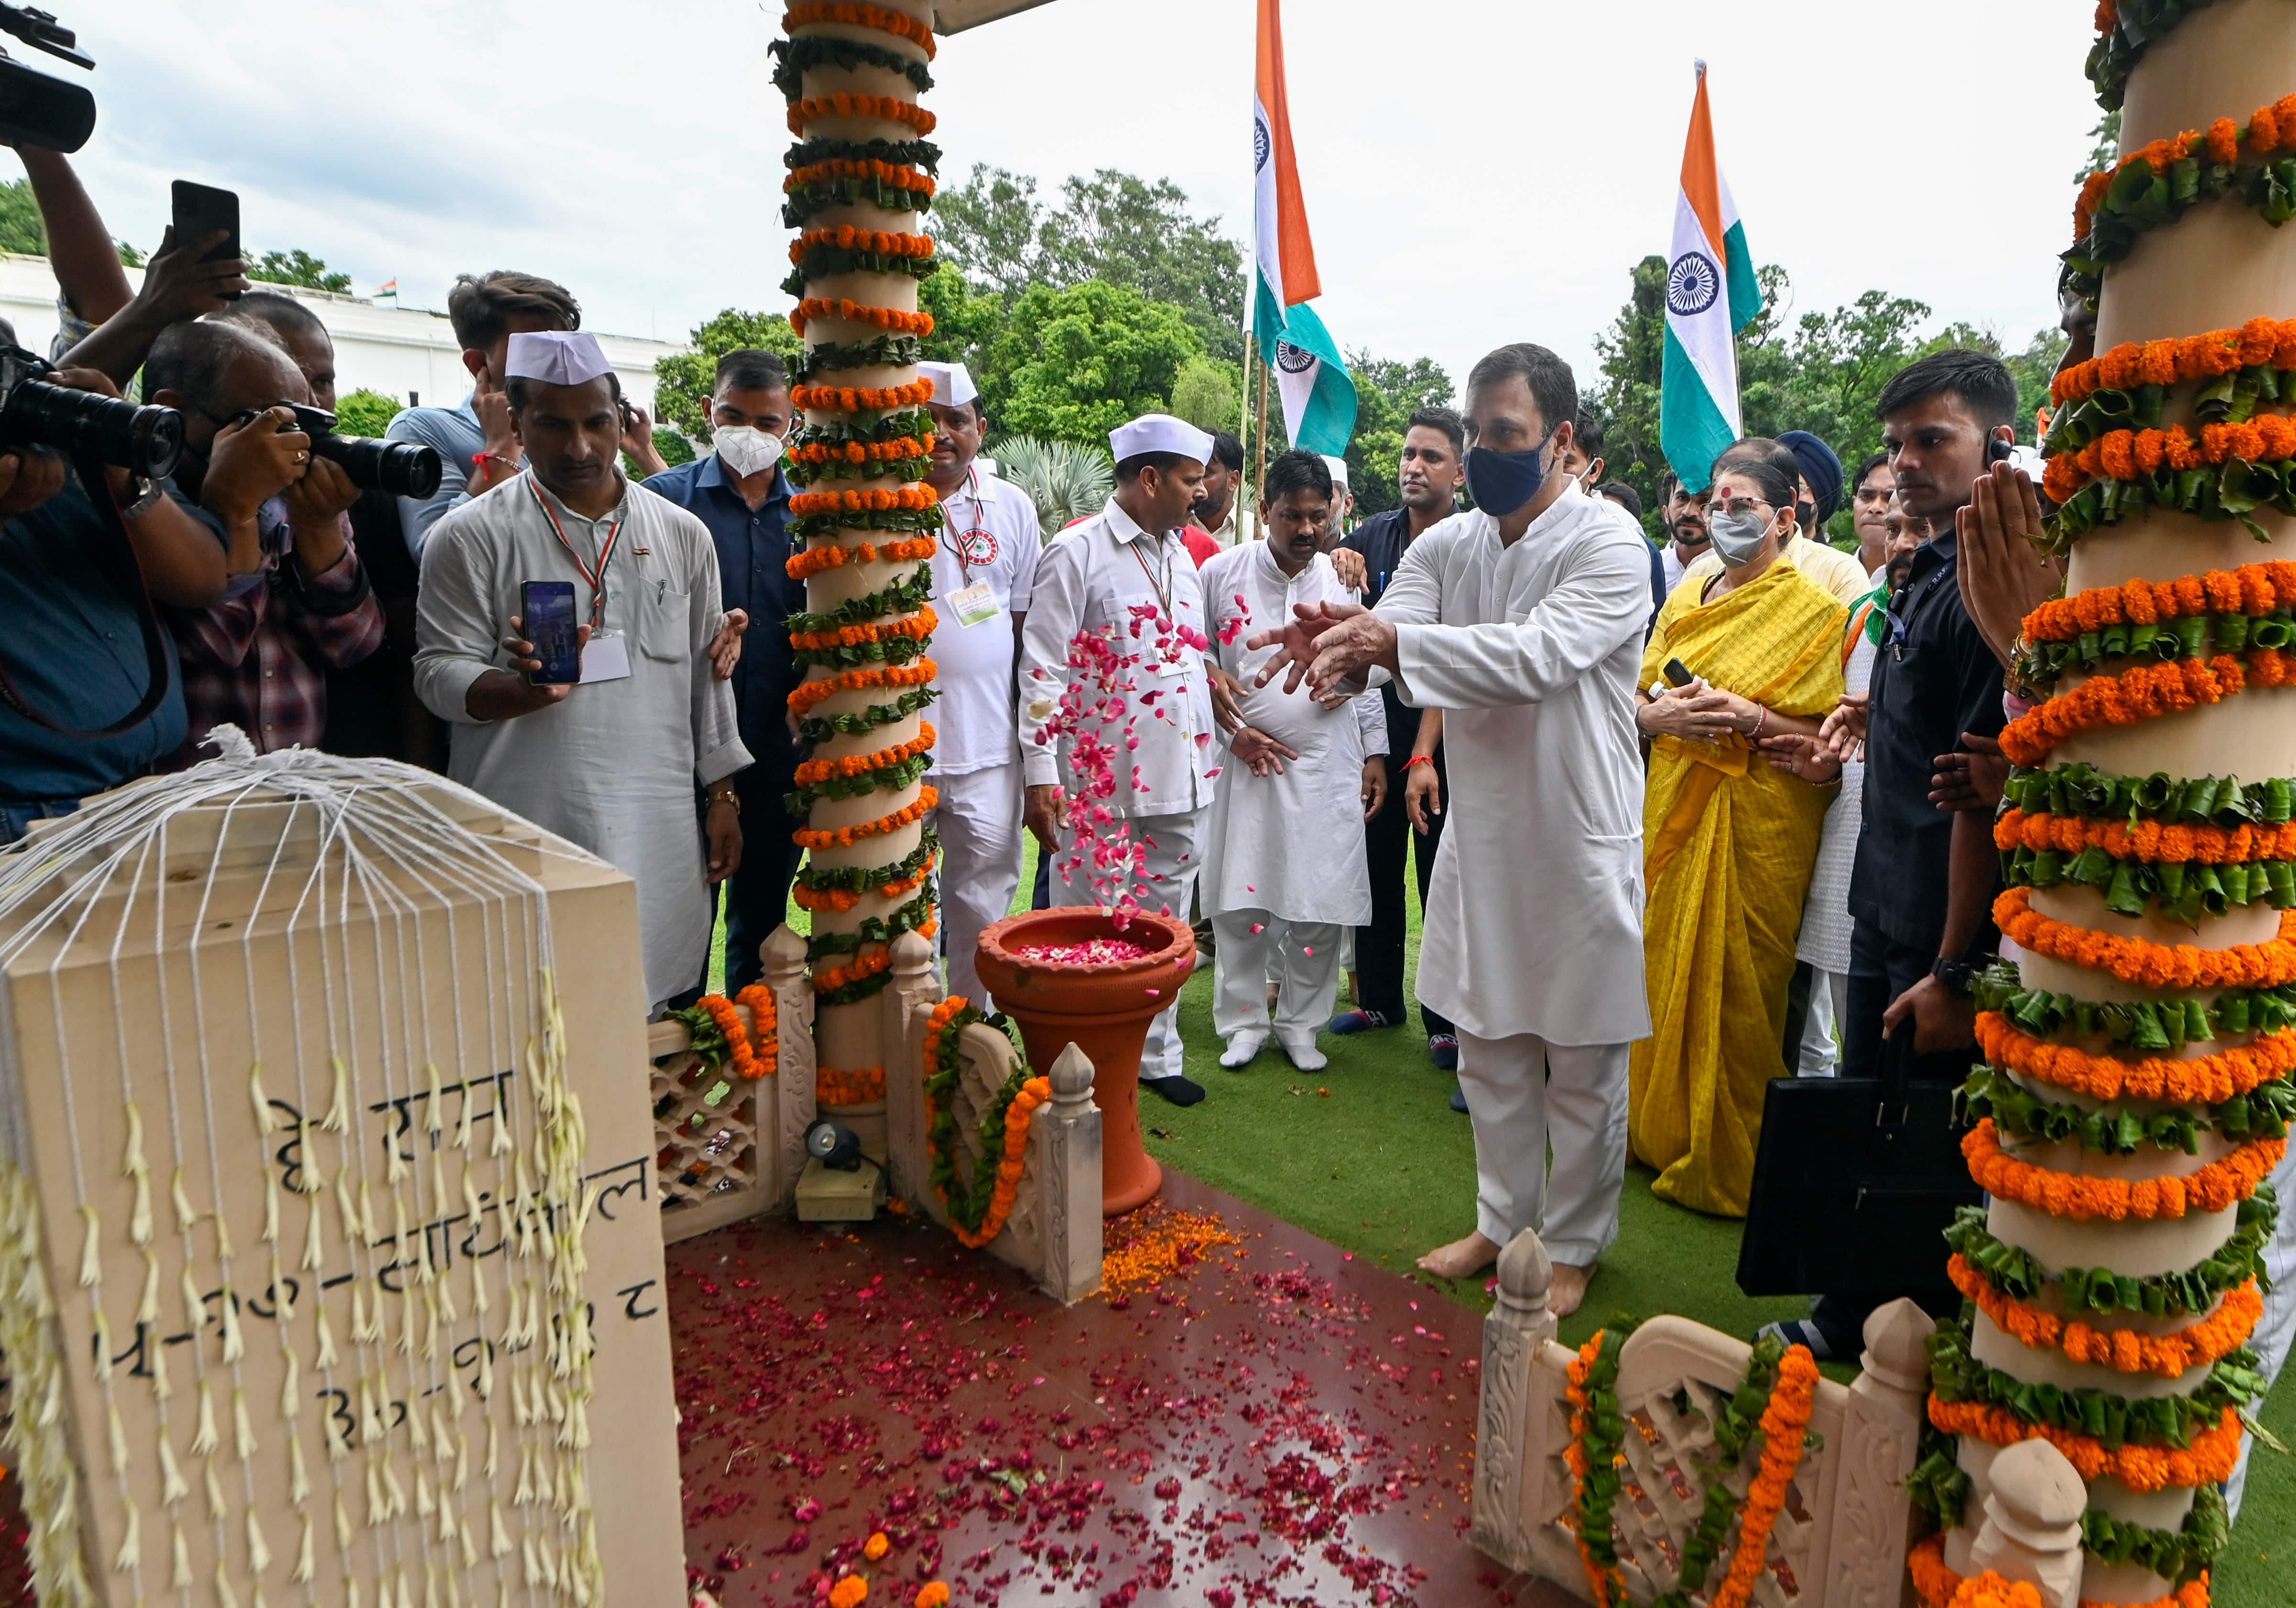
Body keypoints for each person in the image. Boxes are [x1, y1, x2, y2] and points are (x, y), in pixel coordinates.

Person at [1248, 344, 1652, 1316]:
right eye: (1477, 435)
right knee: (1489, 1043)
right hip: (1483, 833)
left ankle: (1577, 1241)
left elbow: (1536, 656)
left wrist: (1389, 644)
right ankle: (1499, 1219)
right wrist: (1348, 648)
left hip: (1579, 829)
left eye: (1505, 435)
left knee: (1583, 1055)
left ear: (1561, 442)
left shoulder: (1609, 543)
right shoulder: (1449, 544)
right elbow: (1399, 631)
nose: (1484, 454)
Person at [1766, 350, 2017, 1360]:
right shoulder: (1927, 572)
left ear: (1996, 444)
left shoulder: (1996, 589)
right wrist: (1875, 710)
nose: (1907, 465)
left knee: (1920, 1139)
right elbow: (1926, 741)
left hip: (1940, 920)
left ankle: (1904, 1350)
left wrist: (1957, 968)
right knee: (1869, 1110)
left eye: (1932, 441)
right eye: (1897, 445)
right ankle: (1845, 1315)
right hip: (1884, 895)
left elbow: (1977, 797)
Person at [414, 331, 748, 1009]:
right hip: (526, 825)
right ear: (516, 422)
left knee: (650, 1003)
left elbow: (707, 675)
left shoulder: (683, 534)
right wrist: (513, 690)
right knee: (529, 1008)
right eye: (553, 426)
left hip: (654, 828)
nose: (579, 447)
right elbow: (434, 671)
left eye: (596, 423)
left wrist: (723, 796)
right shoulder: (469, 534)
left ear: (620, 421)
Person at [1629, 440, 1846, 1216]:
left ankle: (1723, 1160)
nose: (1722, 514)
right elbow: (1642, 687)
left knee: (1739, 991)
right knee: (1658, 970)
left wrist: (1750, 715)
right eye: (1714, 501)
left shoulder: (1817, 611)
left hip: (1760, 819)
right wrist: (1662, 712)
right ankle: (1651, 1132)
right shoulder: (1687, 597)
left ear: (1786, 519)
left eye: (1742, 504)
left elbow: (1828, 730)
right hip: (1675, 802)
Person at [1019, 413, 1217, 1107]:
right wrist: (1040, 774)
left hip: (1182, 776)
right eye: (1191, 481)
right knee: (1097, 924)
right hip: (1097, 785)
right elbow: (1041, 670)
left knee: (1165, 928)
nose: (1201, 492)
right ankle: (1089, 1065)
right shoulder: (1076, 551)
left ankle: (1158, 1057)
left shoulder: (1181, 555)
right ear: (1151, 478)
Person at [1200, 452, 1384, 1073]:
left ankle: (1302, 1026)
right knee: (1242, 904)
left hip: (1329, 763)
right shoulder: (1220, 573)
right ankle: (1245, 1022)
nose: (1307, 530)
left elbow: (1379, 670)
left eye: (1317, 516)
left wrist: (1377, 753)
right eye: (1291, 516)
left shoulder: (1344, 578)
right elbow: (1195, 665)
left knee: (1319, 903)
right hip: (1249, 762)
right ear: (1263, 509)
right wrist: (1235, 738)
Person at [0, 353, 233, 842]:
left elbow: (202, 578)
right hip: (20, 813)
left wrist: (118, 462)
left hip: (135, 797)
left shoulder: (57, 445)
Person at [144, 320, 383, 764]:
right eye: (268, 420)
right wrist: (238, 508)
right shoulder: (147, 509)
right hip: (181, 794)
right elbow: (216, 645)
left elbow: (355, 643)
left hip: (294, 782)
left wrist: (320, 527)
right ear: (175, 413)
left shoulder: (301, 498)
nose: (293, 442)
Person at [220, 290, 441, 770]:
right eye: (284, 390)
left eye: (321, 382)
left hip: (352, 767)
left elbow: (384, 647)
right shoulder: (191, 494)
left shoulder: (364, 491)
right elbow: (212, 645)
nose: (308, 406)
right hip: (208, 780)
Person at [640, 348, 801, 997]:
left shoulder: (819, 516)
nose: (751, 435)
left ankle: (760, 1078)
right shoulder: (660, 504)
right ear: (709, 412)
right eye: (735, 416)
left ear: (791, 426)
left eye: (769, 423)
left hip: (780, 753)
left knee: (764, 929)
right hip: (678, 757)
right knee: (679, 923)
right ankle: (674, 1072)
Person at [1764, 491, 1931, 1077]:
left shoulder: (1962, 611)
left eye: (1920, 527)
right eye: (1894, 529)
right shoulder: (1861, 614)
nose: (1904, 542)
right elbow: (1834, 730)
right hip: (1846, 850)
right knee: (1845, 1027)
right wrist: (1825, 763)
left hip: (1924, 859)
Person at [1331, 407, 1464, 1074]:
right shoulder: (1374, 536)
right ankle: (1380, 1000)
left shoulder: (1472, 543)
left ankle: (1447, 1022)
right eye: (1410, 453)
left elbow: (1448, 656)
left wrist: (1423, 755)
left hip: (1449, 741)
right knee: (1375, 863)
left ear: (1461, 473)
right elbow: (1339, 598)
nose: (1415, 466)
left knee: (1442, 877)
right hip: (1379, 738)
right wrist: (1337, 555)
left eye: (1432, 457)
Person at [914, 359, 1039, 1008]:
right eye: (925, 420)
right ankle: (908, 1033)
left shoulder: (1011, 508)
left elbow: (1027, 631)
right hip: (898, 749)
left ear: (980, 430)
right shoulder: (874, 501)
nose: (940, 434)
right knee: (902, 903)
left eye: (954, 420)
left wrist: (1032, 744)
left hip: (988, 745)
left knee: (982, 899)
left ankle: (970, 1031)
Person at [387, 272, 666, 562]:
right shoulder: (425, 429)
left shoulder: (585, 433)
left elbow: (669, 528)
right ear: (479, 363)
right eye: (536, 349)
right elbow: (435, 557)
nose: (562, 361)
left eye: (567, 345)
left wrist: (643, 452)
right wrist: (502, 449)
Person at [1681, 431, 1870, 609]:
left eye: (1742, 505)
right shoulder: (1699, 575)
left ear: (1784, 511)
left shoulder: (1839, 575)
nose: (1726, 516)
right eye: (1716, 507)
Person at [1192, 430, 1255, 548]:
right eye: (1193, 475)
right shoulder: (1173, 531)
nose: (1197, 486)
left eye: (1205, 475)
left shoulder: (1256, 534)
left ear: (1233, 481)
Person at [1658, 472, 1711, 592]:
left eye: (1704, 501)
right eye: (1682, 498)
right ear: (1666, 513)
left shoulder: (1730, 572)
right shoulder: (1649, 568)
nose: (1689, 512)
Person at [1848, 452, 1895, 577]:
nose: (1875, 508)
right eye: (1866, 497)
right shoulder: (1830, 575)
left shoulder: (1927, 581)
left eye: (1890, 498)